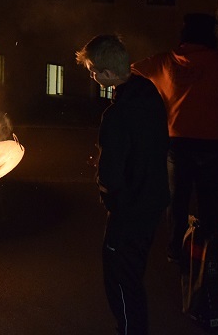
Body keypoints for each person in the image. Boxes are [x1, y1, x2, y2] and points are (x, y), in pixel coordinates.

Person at [131, 13, 218, 263]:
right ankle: (212, 253)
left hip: (178, 143)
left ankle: (175, 250)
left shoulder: (166, 61)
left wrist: (150, 107)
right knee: (210, 202)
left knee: (177, 201)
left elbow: (132, 70)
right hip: (213, 143)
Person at [76, 33, 170, 335]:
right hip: (152, 201)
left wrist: (110, 197)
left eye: (93, 71)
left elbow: (111, 174)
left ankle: (130, 330)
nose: (91, 76)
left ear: (106, 74)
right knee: (133, 272)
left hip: (130, 209)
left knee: (120, 276)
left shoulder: (117, 115)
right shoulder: (150, 94)